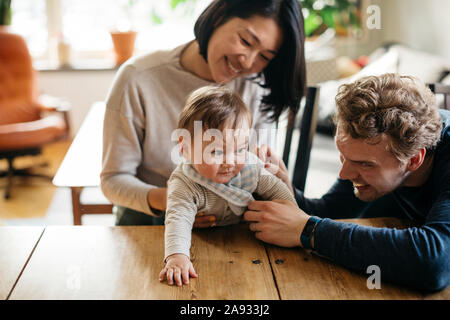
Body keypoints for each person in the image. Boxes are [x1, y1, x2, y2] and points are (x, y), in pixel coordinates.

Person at [101, 0, 306, 226]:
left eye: (265, 57)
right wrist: (175, 202)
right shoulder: (138, 78)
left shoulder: (256, 87)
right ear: (219, 16)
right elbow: (113, 180)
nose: (247, 62)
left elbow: (257, 174)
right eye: (246, 41)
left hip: (230, 220)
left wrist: (276, 181)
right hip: (150, 218)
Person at [243, 73, 450, 292]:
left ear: (414, 159)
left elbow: (435, 261)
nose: (344, 173)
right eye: (343, 155)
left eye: (365, 164)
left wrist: (309, 231)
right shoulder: (371, 153)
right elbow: (332, 211)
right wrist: (287, 191)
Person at [158, 86, 296, 286]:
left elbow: (278, 191)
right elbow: (177, 218)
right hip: (203, 243)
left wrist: (294, 219)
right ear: (185, 148)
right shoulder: (185, 182)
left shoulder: (250, 168)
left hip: (247, 241)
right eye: (216, 152)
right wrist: (177, 257)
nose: (230, 162)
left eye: (240, 149)